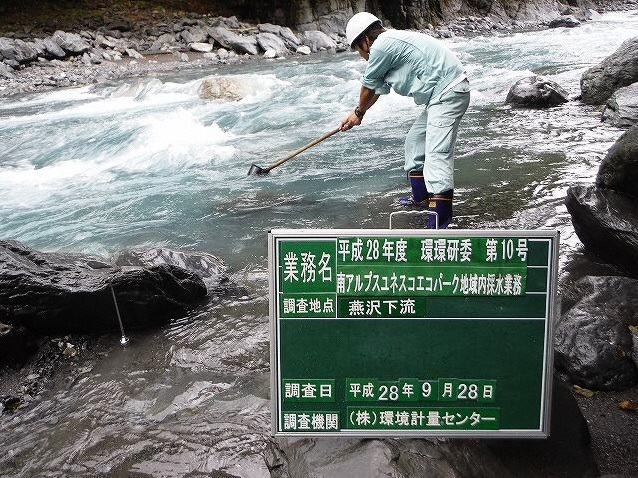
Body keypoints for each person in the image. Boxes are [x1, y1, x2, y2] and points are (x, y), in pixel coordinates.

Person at [340, 12, 470, 229]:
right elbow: (377, 90)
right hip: (441, 96)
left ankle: (439, 225)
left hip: (448, 92)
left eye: (358, 51)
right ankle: (421, 201)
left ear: (365, 41)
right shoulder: (389, 44)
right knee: (414, 142)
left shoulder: (381, 46)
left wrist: (358, 113)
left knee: (437, 154)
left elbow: (368, 86)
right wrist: (358, 114)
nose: (361, 56)